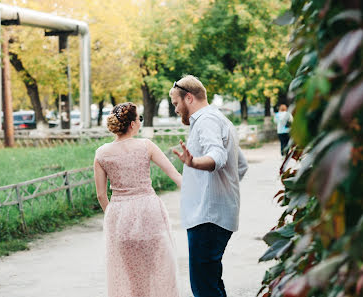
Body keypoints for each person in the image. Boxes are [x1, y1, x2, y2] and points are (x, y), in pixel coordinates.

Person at [170, 75, 249, 297]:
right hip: (215, 215)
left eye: (176, 103)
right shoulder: (220, 120)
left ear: (189, 98)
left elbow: (217, 155)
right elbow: (240, 165)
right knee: (211, 283)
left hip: (206, 217)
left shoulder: (206, 121)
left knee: (204, 287)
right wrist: (223, 190)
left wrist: (194, 162)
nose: (176, 110)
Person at [93, 102, 182, 297]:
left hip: (119, 215)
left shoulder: (101, 153)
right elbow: (174, 175)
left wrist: (114, 215)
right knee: (158, 269)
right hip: (148, 211)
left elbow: (101, 195)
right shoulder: (145, 145)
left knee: (131, 275)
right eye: (139, 119)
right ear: (132, 124)